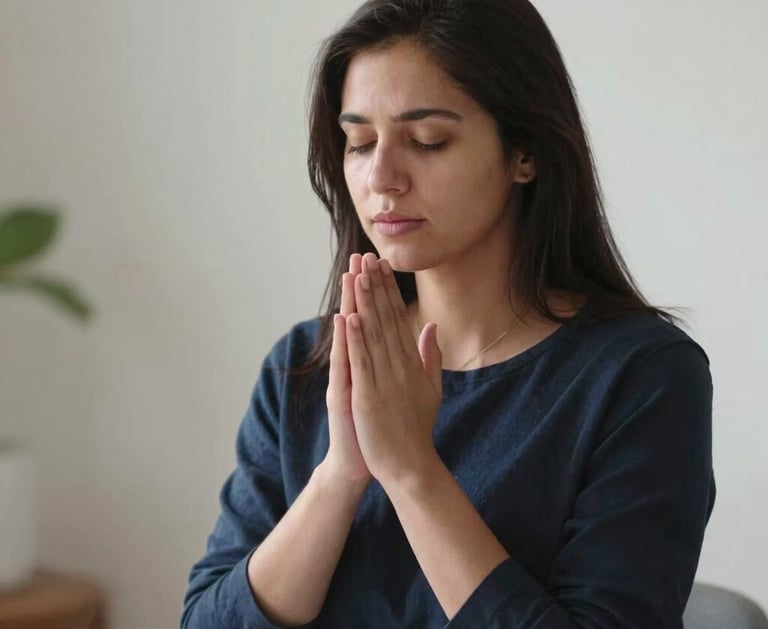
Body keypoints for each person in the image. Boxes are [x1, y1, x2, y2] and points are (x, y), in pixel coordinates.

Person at [181, 1, 715, 627]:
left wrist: (410, 470)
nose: (382, 177)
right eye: (358, 142)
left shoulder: (640, 376)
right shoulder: (303, 368)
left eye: (427, 141)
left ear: (525, 153)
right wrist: (341, 474)